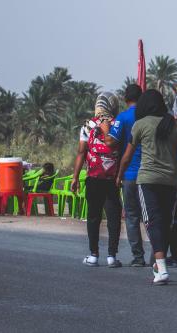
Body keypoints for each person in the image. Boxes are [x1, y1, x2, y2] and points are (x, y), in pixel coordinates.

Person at [120, 90, 177, 286]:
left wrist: (119, 175)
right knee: (165, 222)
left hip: (147, 181)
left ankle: (161, 268)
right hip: (170, 182)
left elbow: (127, 156)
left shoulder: (140, 125)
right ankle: (159, 263)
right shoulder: (174, 125)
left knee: (152, 221)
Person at [72, 93, 123, 268]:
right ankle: (112, 256)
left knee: (93, 216)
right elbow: (122, 151)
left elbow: (81, 153)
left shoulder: (87, 125)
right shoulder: (118, 124)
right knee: (113, 217)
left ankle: (93, 255)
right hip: (112, 179)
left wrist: (75, 177)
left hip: (93, 178)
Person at [108, 83, 147, 267]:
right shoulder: (149, 117)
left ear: (125, 99)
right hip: (148, 174)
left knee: (132, 216)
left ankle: (138, 257)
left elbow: (111, 142)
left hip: (130, 174)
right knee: (150, 216)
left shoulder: (122, 118)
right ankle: (158, 254)